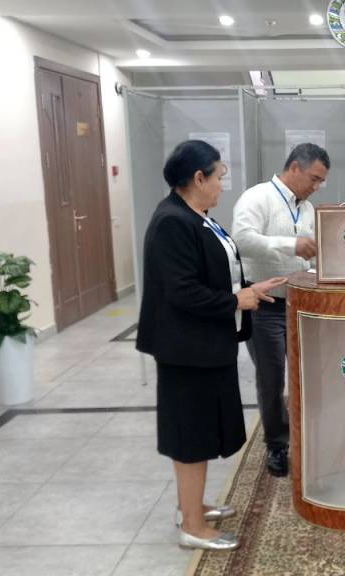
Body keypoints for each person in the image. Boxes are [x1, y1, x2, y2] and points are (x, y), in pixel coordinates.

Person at [137, 140, 286, 550]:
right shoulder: (173, 222)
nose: (223, 184)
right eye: (219, 176)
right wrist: (236, 300)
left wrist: (248, 287)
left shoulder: (196, 216)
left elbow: (210, 273)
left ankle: (193, 507)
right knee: (190, 436)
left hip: (205, 344)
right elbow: (182, 291)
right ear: (198, 177)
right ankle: (192, 528)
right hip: (186, 349)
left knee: (199, 432)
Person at [231, 143, 329, 477]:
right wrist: (290, 245)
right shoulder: (257, 198)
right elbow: (242, 239)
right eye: (314, 178)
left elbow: (311, 255)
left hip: (302, 304)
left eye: (320, 182)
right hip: (266, 305)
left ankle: (308, 436)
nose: (316, 186)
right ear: (294, 168)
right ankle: (277, 444)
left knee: (306, 375)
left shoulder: (309, 209)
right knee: (271, 379)